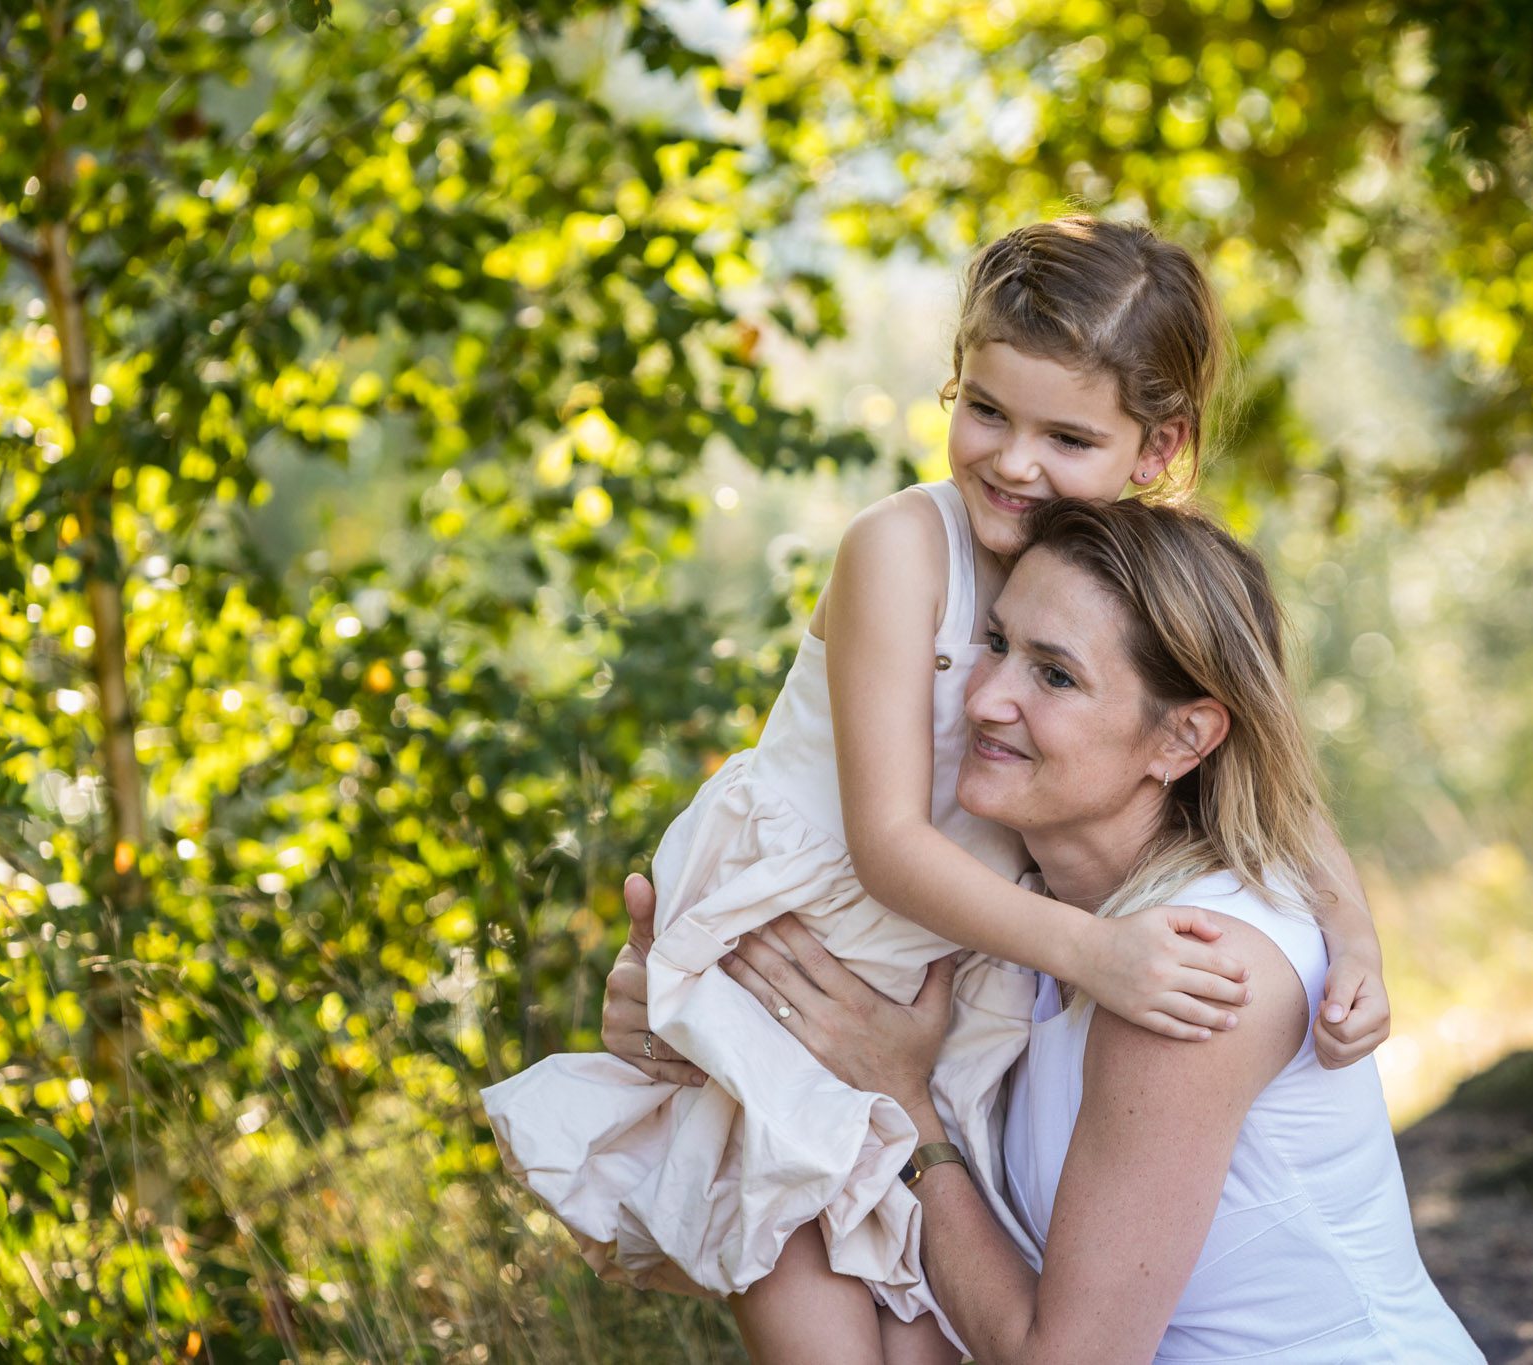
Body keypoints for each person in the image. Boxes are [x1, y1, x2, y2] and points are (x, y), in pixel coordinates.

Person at [484, 217, 1393, 1362]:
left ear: (1154, 449)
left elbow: (1269, 772)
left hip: (947, 973)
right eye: (985, 411)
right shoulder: (903, 547)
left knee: (934, 1315)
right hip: (829, 941)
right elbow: (885, 845)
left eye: (1066, 435)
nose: (1013, 464)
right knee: (805, 1251)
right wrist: (1092, 954)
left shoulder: (1134, 577)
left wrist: (1351, 934)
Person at [716, 498, 1483, 1362]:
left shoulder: (1196, 971)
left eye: (1055, 675)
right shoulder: (1037, 932)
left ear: (1182, 737)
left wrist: (905, 1106)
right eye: (996, 645)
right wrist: (687, 1022)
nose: (984, 697)